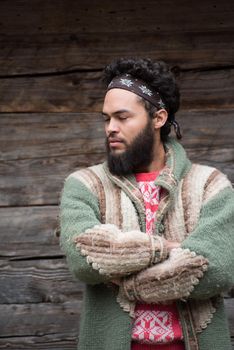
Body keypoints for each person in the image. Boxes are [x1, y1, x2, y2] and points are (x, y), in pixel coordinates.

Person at [60, 58, 234, 350]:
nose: (110, 128)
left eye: (122, 117)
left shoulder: (210, 186)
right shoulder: (85, 184)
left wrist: (124, 276)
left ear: (159, 118)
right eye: (107, 118)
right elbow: (84, 259)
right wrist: (166, 249)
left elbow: (216, 270)